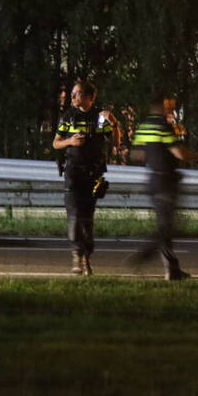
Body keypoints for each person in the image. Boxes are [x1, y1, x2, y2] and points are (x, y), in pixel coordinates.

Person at [129, 93, 198, 281]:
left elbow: (136, 155)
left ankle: (172, 270)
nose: (172, 109)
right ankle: (144, 254)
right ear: (161, 106)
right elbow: (180, 153)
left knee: (165, 225)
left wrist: (154, 152)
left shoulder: (145, 126)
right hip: (166, 180)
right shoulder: (163, 126)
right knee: (168, 227)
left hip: (152, 180)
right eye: (169, 105)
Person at [52, 80, 118, 275]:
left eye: (77, 94)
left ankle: (87, 259)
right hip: (73, 172)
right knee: (74, 215)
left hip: (93, 173)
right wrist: (69, 141)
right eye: (72, 94)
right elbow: (56, 143)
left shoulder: (98, 118)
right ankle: (76, 257)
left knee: (87, 218)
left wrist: (113, 122)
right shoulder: (69, 117)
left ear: (90, 97)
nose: (73, 97)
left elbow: (114, 141)